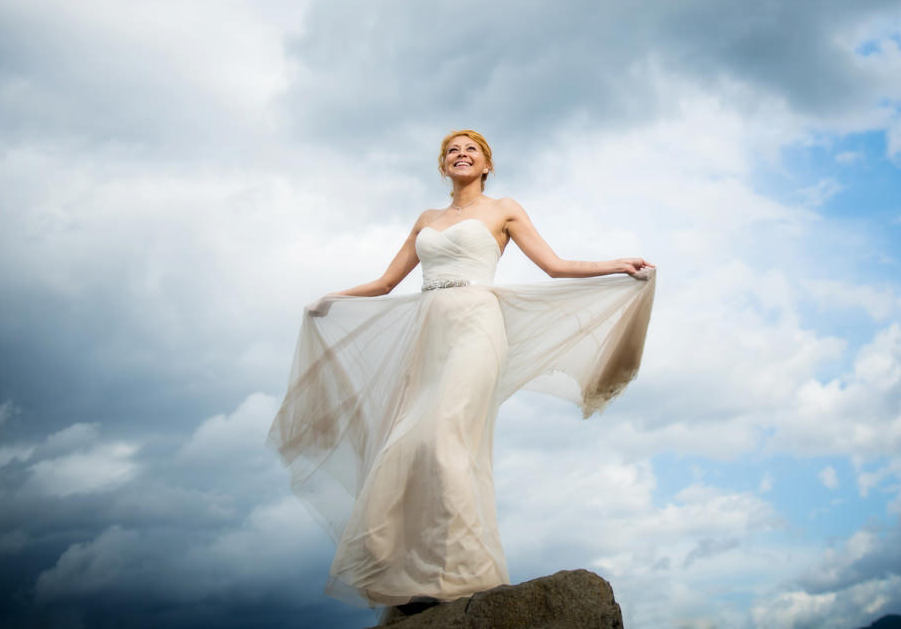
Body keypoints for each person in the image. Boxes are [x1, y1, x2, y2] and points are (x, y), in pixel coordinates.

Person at [267, 129, 656, 620]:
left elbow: (555, 267)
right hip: (428, 335)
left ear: (486, 164)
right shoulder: (427, 220)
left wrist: (616, 264)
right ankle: (411, 577)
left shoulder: (504, 210)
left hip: (476, 327)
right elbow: (388, 282)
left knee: (446, 440)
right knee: (407, 444)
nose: (462, 154)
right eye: (453, 150)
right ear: (443, 165)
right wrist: (330, 300)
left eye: (471, 150)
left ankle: (463, 575)